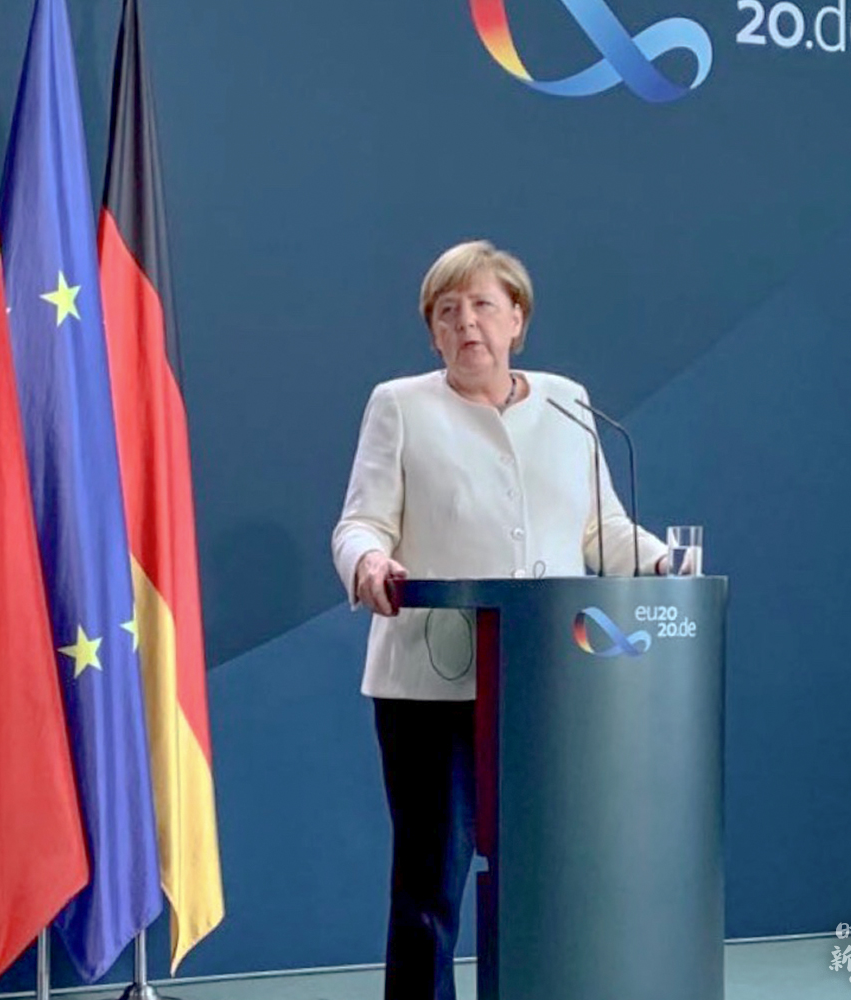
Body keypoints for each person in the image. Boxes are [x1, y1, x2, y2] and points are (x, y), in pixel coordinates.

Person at [331, 240, 668, 1000]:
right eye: (446, 313)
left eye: (482, 305)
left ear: (518, 318)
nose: (466, 324)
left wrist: (661, 563)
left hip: (546, 680)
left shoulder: (568, 403)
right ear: (432, 334)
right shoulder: (400, 405)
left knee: (544, 870)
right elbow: (360, 524)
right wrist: (368, 564)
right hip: (431, 682)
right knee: (431, 883)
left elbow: (599, 529)